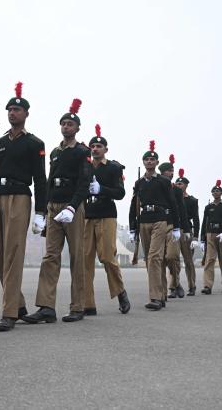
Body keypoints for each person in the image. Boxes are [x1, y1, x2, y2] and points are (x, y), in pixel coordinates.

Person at [0, 82, 47, 332]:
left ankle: (9, 313)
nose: (13, 113)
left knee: (14, 254)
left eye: (17, 110)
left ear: (26, 114)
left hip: (20, 196)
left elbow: (40, 178)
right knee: (0, 255)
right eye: (10, 109)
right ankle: (17, 304)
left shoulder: (33, 143)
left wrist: (41, 212)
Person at [23, 98, 91, 323]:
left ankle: (78, 306)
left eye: (70, 124)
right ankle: (46, 307)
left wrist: (73, 206)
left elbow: (84, 182)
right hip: (54, 206)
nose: (66, 127)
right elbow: (49, 180)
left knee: (76, 256)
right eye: (63, 124)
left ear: (77, 128)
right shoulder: (55, 152)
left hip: (73, 207)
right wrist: (44, 209)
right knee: (50, 256)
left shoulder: (82, 151)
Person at [82, 124, 130, 315]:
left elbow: (120, 193)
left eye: (99, 147)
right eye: (92, 146)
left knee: (107, 257)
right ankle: (88, 304)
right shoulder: (84, 167)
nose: (95, 149)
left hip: (106, 215)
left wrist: (102, 189)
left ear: (106, 150)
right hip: (87, 215)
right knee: (85, 260)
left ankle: (120, 292)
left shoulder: (113, 168)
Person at [128, 140, 180, 310]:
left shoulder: (164, 182)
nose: (149, 161)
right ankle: (161, 293)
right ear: (143, 162)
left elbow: (173, 204)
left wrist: (177, 226)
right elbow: (134, 206)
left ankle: (155, 297)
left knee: (155, 257)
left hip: (160, 219)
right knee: (150, 260)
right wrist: (133, 228)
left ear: (157, 163)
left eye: (152, 159)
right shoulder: (139, 183)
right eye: (146, 159)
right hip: (144, 221)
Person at [157, 155, 190, 300]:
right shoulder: (156, 184)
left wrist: (186, 230)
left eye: (172, 170)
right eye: (169, 171)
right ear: (162, 172)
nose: (171, 173)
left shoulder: (176, 190)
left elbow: (181, 210)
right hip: (158, 224)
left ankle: (175, 284)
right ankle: (167, 289)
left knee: (172, 256)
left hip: (173, 225)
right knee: (161, 259)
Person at [199, 180, 222, 294]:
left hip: (221, 234)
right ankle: (207, 285)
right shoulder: (208, 207)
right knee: (210, 259)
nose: (216, 193)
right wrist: (202, 239)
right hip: (210, 233)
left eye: (218, 191)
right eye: (214, 191)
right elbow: (204, 222)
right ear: (212, 193)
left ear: (221, 193)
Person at [175, 170, 200, 295]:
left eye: (181, 184)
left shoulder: (192, 200)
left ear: (186, 186)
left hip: (186, 231)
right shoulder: (172, 198)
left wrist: (195, 237)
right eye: (177, 184)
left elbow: (196, 219)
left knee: (188, 260)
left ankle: (192, 285)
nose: (179, 186)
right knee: (173, 260)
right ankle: (174, 286)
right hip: (174, 229)